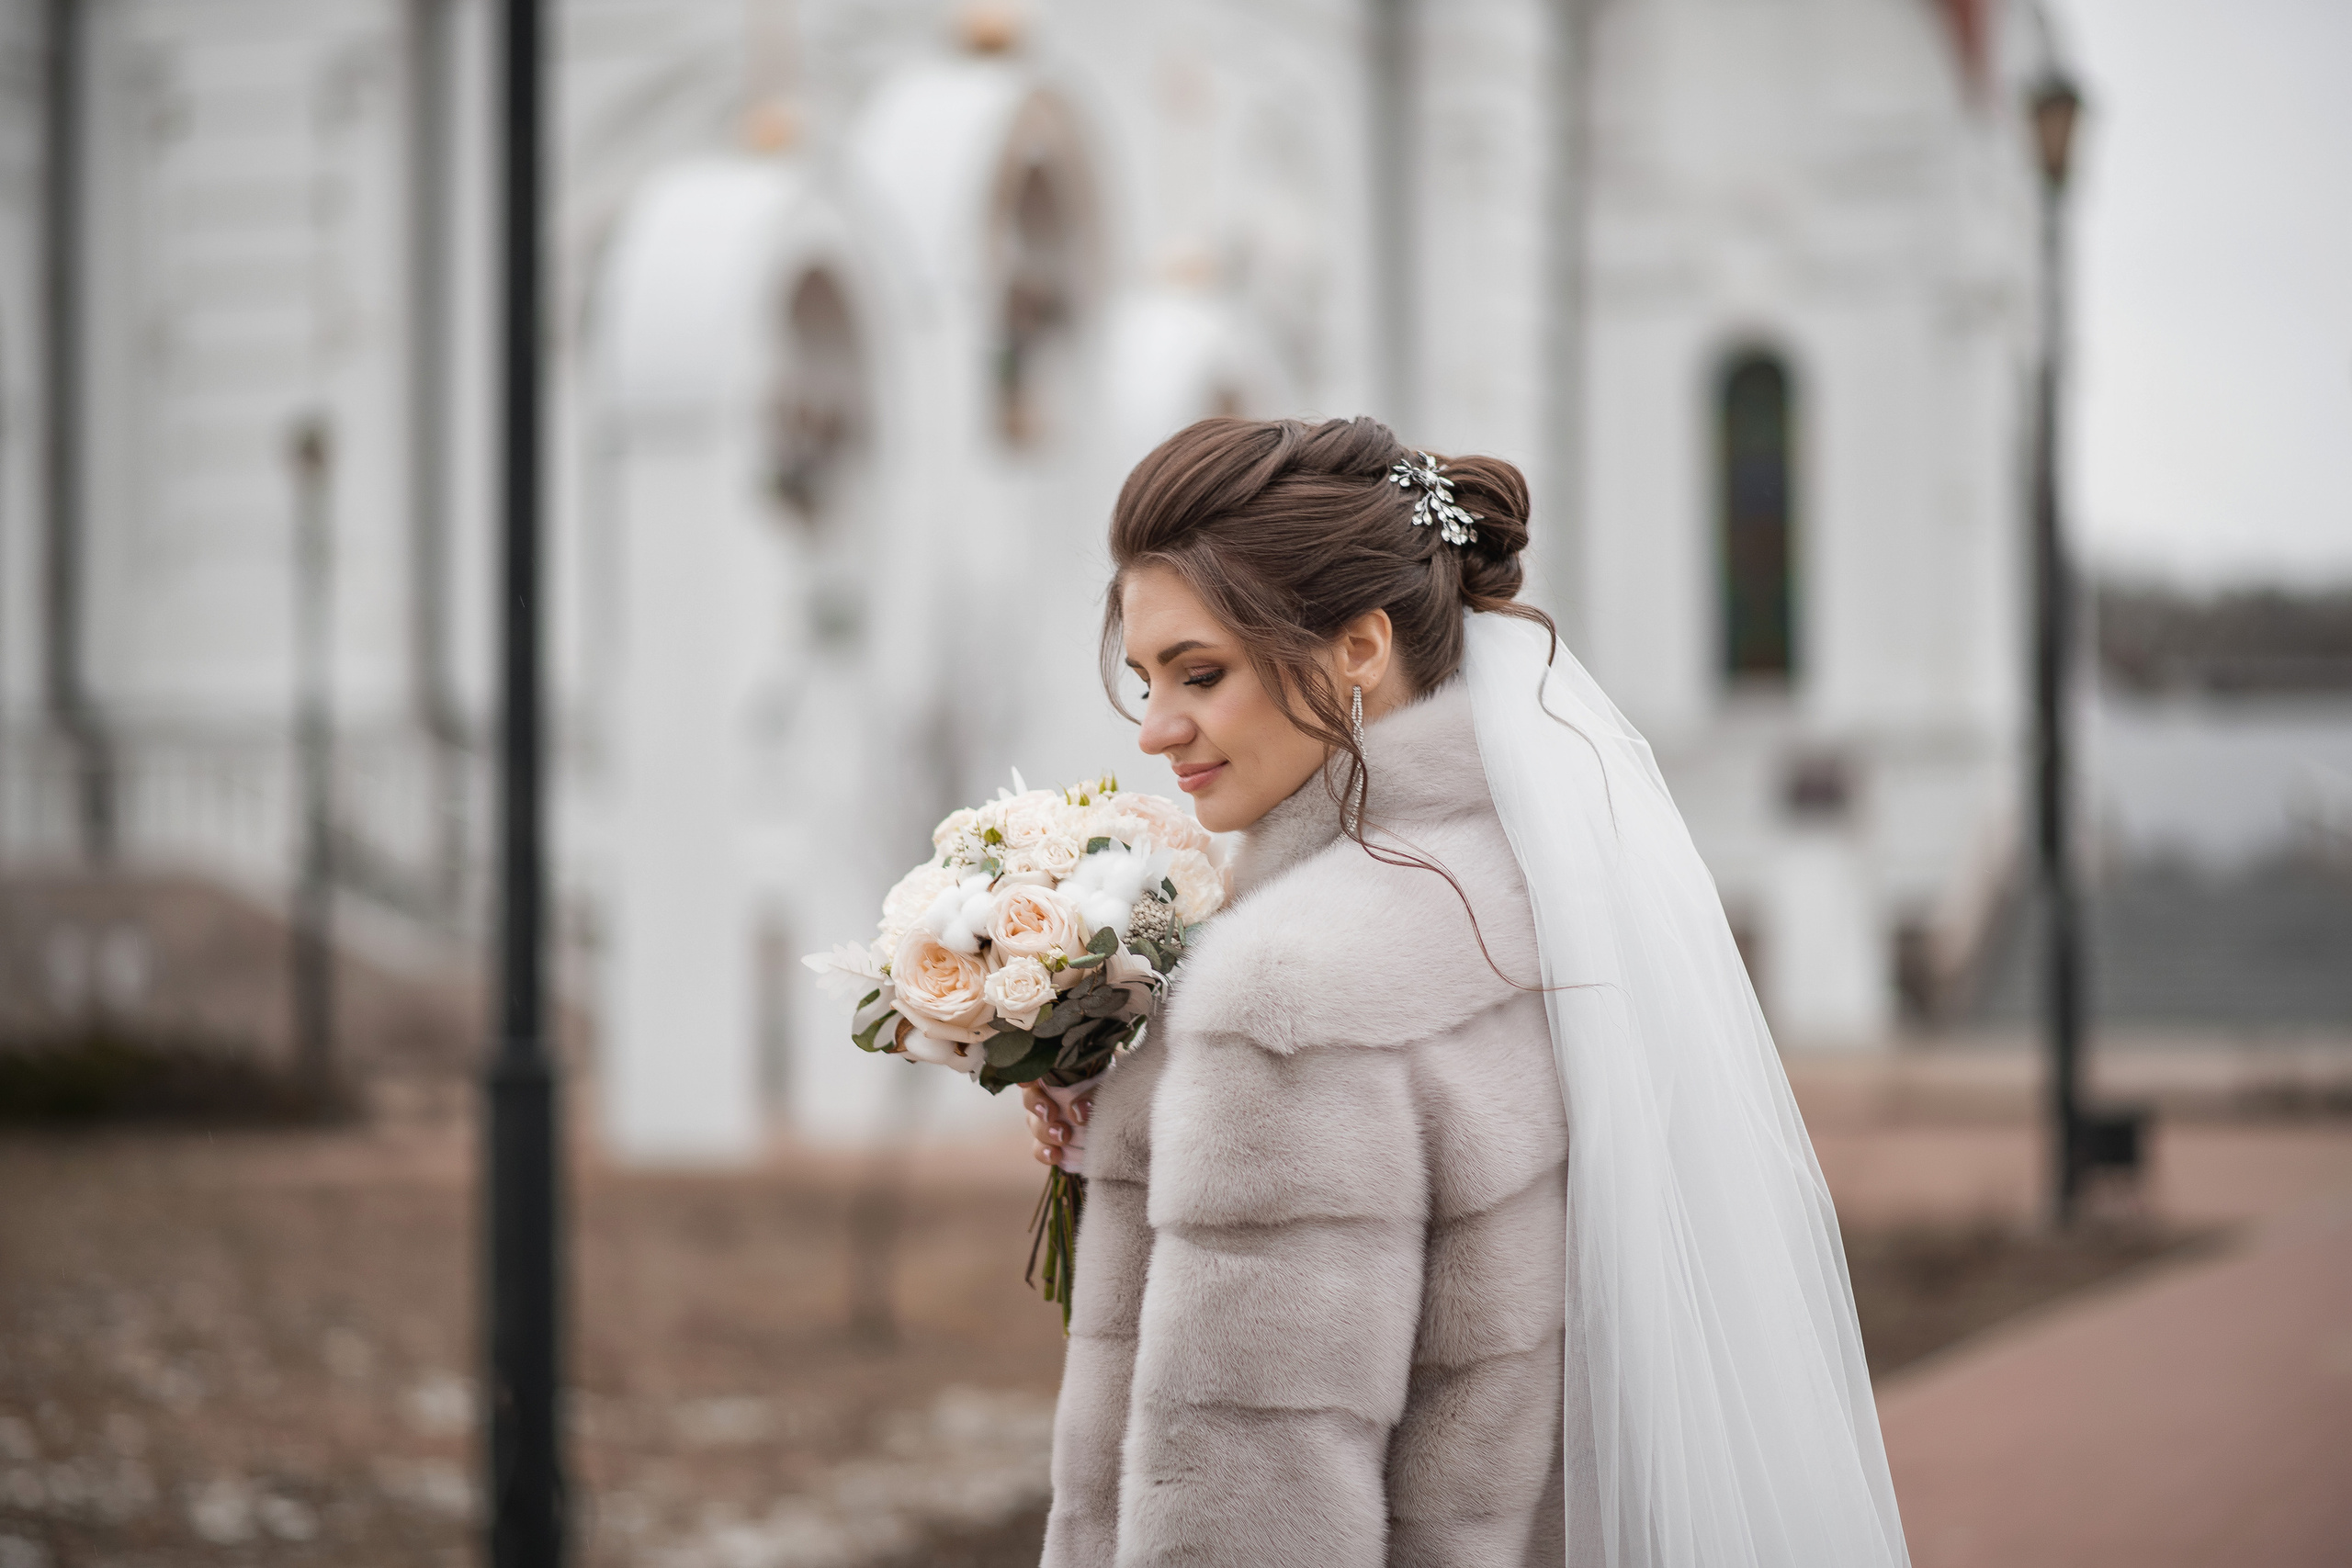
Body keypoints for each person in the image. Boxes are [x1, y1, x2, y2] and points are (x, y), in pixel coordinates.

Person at [1024, 416, 1909, 1568]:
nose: (1154, 730)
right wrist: (1123, 1126)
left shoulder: (1286, 994)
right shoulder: (1539, 889)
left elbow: (1253, 1495)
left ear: (1357, 647)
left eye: (1201, 674)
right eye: (1144, 679)